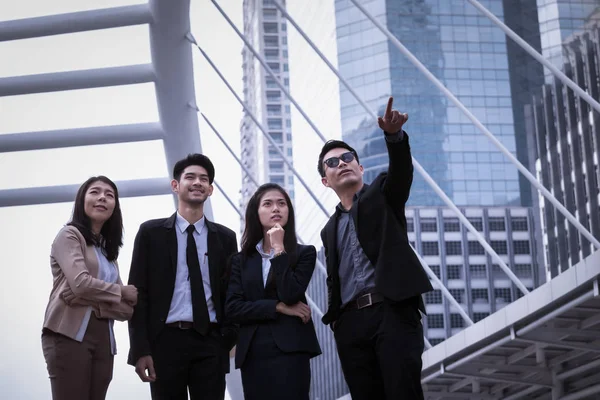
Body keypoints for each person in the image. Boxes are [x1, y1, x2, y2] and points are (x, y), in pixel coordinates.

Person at [317, 97, 433, 399]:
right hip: (351, 325)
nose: (341, 163)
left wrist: (394, 137)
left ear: (360, 166)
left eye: (347, 158)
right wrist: (339, 323)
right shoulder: (327, 230)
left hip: (392, 312)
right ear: (324, 181)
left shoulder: (383, 194)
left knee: (402, 393)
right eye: (332, 162)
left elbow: (402, 174)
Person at [127, 153, 238, 400]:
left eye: (204, 179)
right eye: (190, 177)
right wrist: (140, 349)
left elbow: (232, 292)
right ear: (175, 185)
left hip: (211, 341)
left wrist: (227, 338)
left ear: (210, 189)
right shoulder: (150, 233)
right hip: (164, 342)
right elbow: (138, 294)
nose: (197, 182)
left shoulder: (225, 238)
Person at [41, 176, 138, 400]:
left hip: (104, 341)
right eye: (95, 192)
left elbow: (126, 310)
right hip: (67, 334)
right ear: (82, 200)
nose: (102, 197)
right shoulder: (69, 235)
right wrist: (121, 291)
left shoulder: (108, 252)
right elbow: (81, 283)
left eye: (109, 195)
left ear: (115, 206)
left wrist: (92, 301)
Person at [226, 183, 321, 400]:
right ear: (256, 213)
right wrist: (277, 307)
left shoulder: (304, 253)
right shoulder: (240, 261)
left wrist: (279, 249)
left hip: (291, 350)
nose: (276, 208)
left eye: (282, 203)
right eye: (267, 204)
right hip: (254, 352)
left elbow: (290, 293)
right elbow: (233, 308)